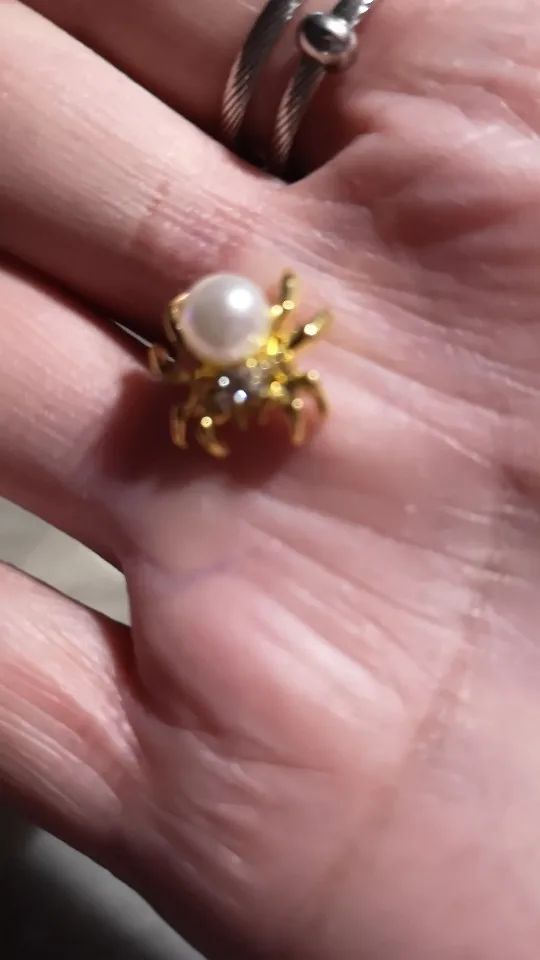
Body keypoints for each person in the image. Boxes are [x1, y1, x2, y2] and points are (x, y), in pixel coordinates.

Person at [1, 1, 539, 957]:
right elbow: (189, 384)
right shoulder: (204, 385)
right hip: (220, 337)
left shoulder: (270, 363)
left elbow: (288, 336)